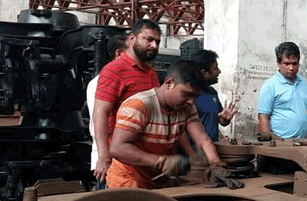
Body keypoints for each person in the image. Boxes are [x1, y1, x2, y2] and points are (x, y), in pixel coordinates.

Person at [106, 60, 240, 189]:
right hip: (128, 182)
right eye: (187, 94)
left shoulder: (185, 107)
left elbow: (202, 139)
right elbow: (117, 148)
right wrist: (161, 162)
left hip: (158, 181)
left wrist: (216, 164)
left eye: (195, 96)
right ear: (169, 83)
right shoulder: (139, 106)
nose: (191, 102)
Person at [93, 19, 162, 185]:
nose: (154, 46)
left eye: (157, 42)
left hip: (143, 162)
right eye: (149, 40)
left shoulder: (151, 72)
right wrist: (104, 156)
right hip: (120, 163)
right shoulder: (114, 70)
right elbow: (100, 113)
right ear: (132, 39)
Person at [87, 33, 128, 189]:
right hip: (110, 160)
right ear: (118, 54)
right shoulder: (100, 82)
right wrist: (104, 158)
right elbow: (100, 121)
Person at [258, 42, 307, 139]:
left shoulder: (305, 83)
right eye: (286, 64)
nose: (291, 68)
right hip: (280, 145)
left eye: (295, 64)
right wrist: (268, 144)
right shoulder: (270, 85)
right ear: (278, 63)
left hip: (303, 143)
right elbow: (263, 116)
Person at [190, 49, 236, 142]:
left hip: (212, 149)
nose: (219, 72)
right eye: (215, 68)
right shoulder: (190, 95)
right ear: (204, 73)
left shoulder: (212, 92)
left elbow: (221, 121)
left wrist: (225, 119)